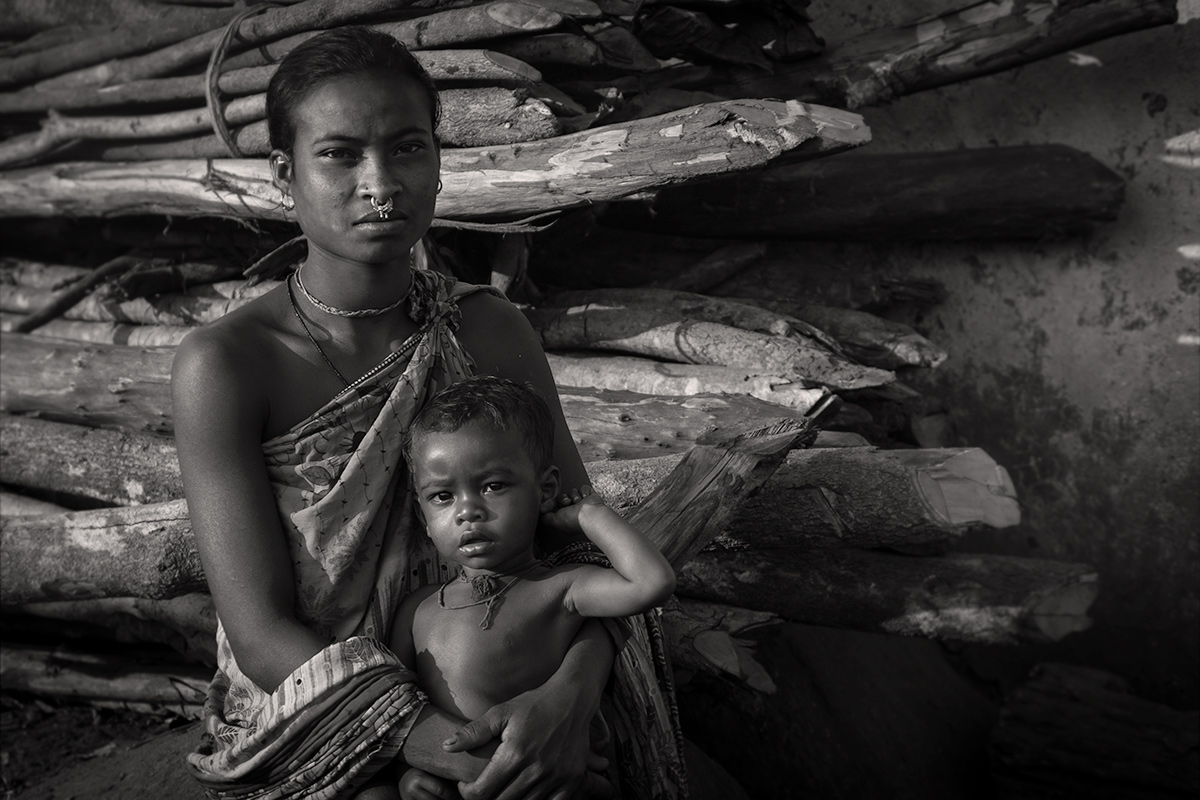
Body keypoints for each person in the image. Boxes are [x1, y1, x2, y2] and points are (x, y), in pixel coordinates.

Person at [172, 24, 687, 800]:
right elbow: (260, 633)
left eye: (408, 148)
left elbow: (575, 540)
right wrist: (429, 739)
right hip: (319, 703)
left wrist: (568, 699)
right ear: (285, 173)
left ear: (439, 165)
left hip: (509, 678)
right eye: (341, 154)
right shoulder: (226, 364)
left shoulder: (486, 329)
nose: (381, 181)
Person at [391, 377, 676, 800]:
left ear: (544, 490)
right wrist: (408, 773)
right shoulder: (417, 609)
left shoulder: (561, 587)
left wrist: (591, 515)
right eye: (443, 496)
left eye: (493, 486)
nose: (468, 510)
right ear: (422, 511)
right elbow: (397, 707)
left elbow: (653, 583)